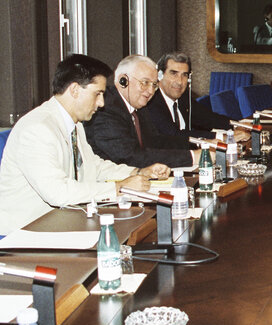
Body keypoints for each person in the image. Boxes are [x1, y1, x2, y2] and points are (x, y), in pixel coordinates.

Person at [0, 55, 169, 235]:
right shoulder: (37, 128)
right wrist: (119, 188)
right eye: (97, 94)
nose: (101, 103)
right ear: (74, 90)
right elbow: (58, 192)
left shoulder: (74, 124)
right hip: (22, 235)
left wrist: (136, 172)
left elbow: (93, 167)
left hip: (58, 223)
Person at [84, 55, 199, 168]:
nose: (150, 91)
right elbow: (130, 157)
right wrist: (192, 157)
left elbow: (156, 141)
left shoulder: (139, 107)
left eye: (154, 85)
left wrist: (201, 145)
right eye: (145, 83)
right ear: (123, 81)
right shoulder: (106, 110)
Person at [144, 52, 249, 141]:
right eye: (174, 74)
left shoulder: (183, 96)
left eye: (184, 75)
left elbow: (207, 118)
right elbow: (174, 135)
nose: (180, 82)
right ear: (160, 75)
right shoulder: (152, 101)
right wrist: (225, 137)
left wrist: (239, 125)